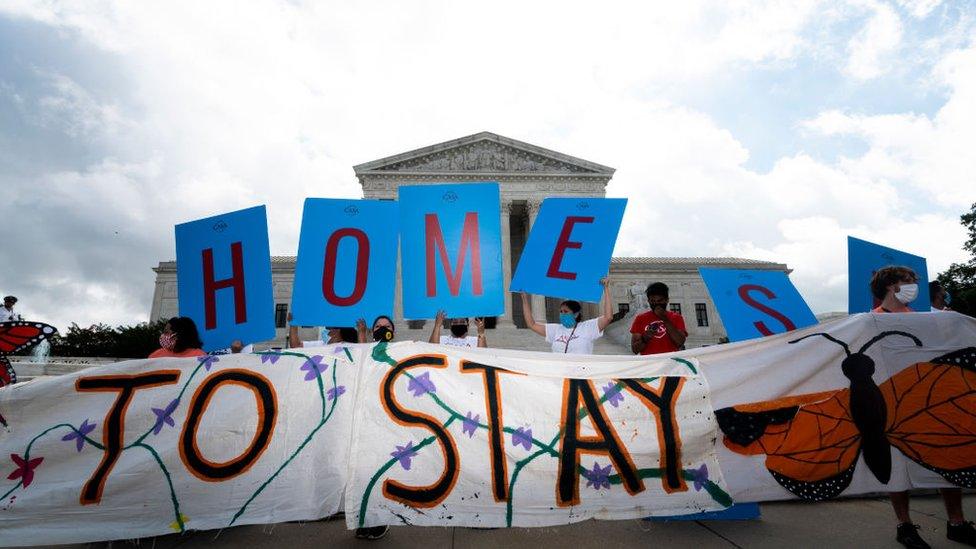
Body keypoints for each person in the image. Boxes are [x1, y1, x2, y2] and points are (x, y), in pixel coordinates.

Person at [870, 266, 975, 548]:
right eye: (908, 282)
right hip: (892, 406)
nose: (914, 287)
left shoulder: (927, 320)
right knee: (898, 468)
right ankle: (904, 526)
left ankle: (957, 523)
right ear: (891, 286)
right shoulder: (870, 322)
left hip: (928, 401)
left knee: (947, 459)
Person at [519, 277, 614, 354]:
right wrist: (524, 299)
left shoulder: (588, 327)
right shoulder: (555, 329)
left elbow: (608, 317)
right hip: (560, 373)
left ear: (576, 314)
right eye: (561, 311)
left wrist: (606, 289)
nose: (562, 314)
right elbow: (531, 324)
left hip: (580, 374)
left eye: (565, 311)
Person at [630, 282, 687, 355]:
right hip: (650, 364)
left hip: (670, 362)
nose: (656, 304)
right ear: (648, 301)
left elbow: (680, 342)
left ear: (667, 300)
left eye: (659, 301)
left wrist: (664, 318)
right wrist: (644, 339)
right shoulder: (640, 318)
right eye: (653, 301)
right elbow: (635, 350)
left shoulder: (676, 317)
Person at [287, 313, 359, 348]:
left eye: (328, 329)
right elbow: (296, 346)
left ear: (337, 331)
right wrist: (293, 325)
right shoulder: (321, 346)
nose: (325, 332)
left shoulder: (350, 347)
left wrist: (362, 333)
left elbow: (363, 352)